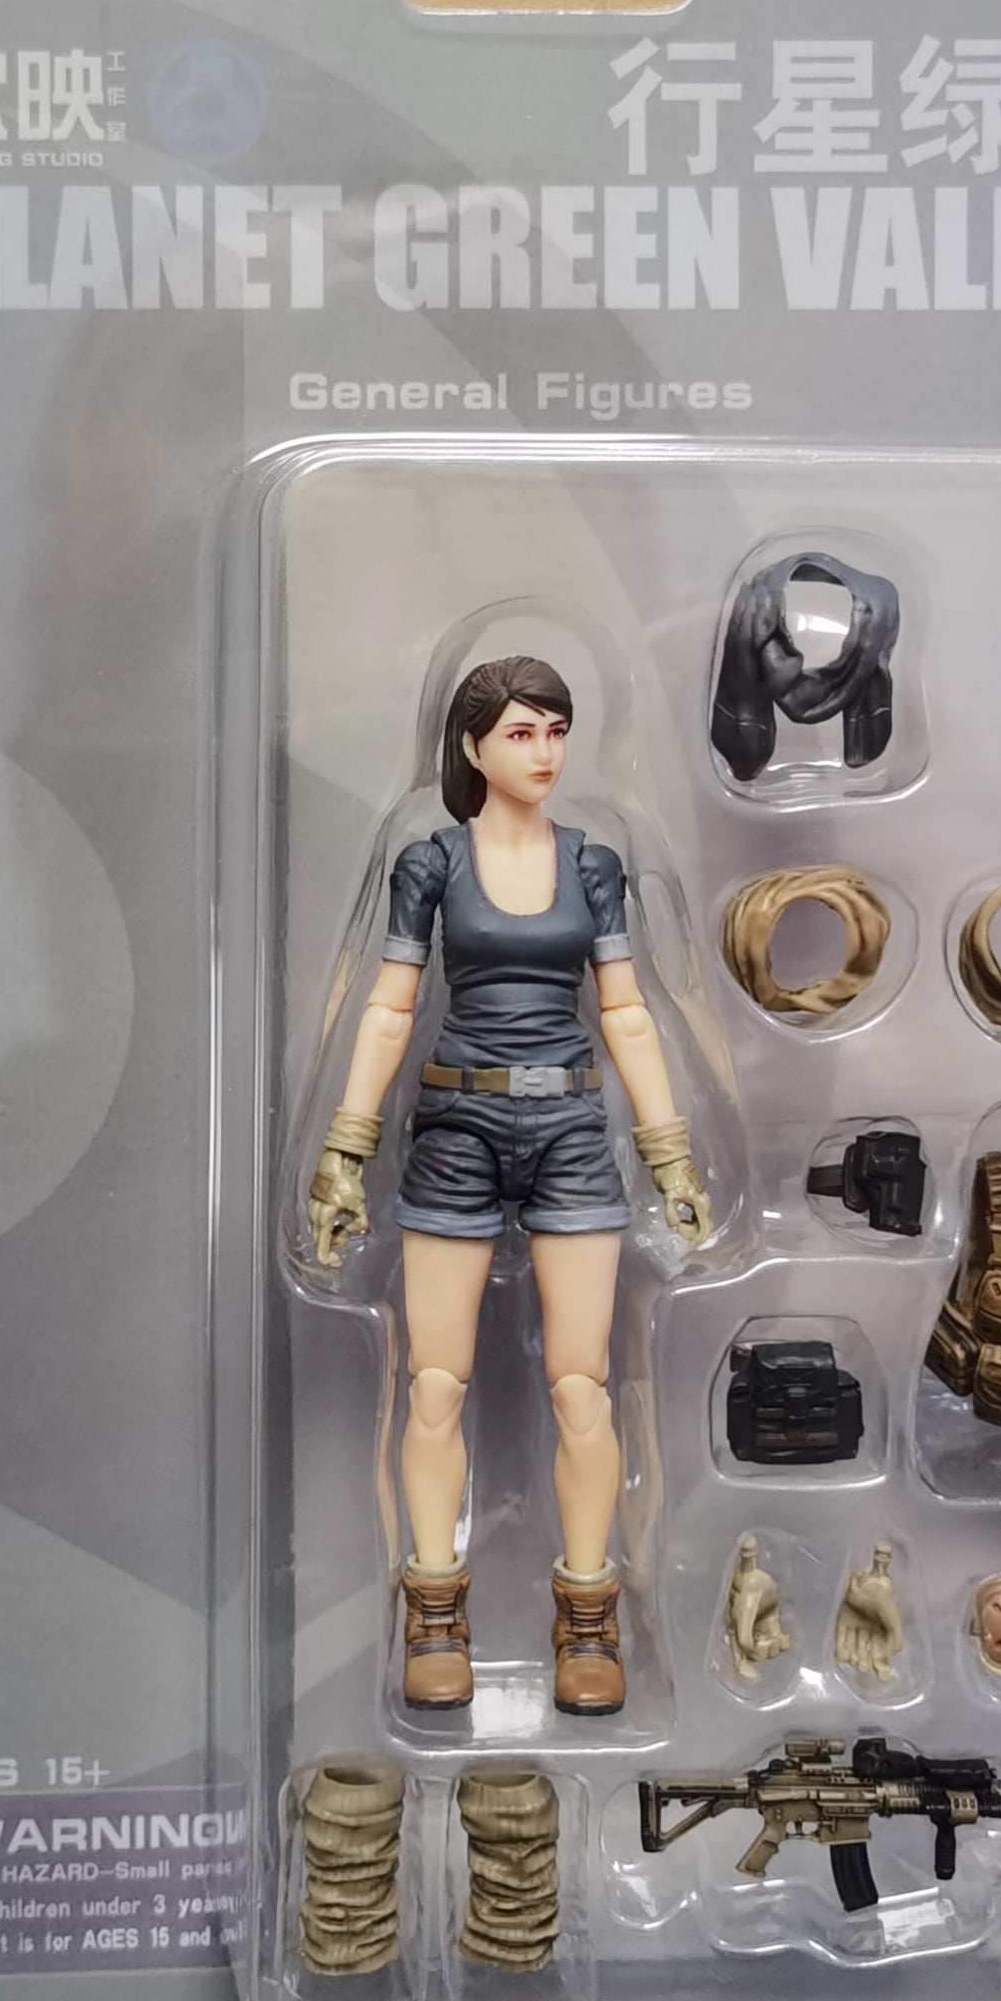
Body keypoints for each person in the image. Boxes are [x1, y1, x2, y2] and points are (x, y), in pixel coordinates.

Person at [308, 655, 711, 1714]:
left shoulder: (593, 864)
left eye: (556, 731)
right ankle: (435, 1612)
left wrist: (668, 1150)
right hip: (456, 1125)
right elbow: (389, 1007)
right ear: (473, 745)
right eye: (522, 732)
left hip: (571, 1123)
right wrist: (344, 1149)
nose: (545, 752)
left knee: (581, 1384)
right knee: (435, 1383)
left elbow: (625, 1011)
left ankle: (590, 1617)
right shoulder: (432, 862)